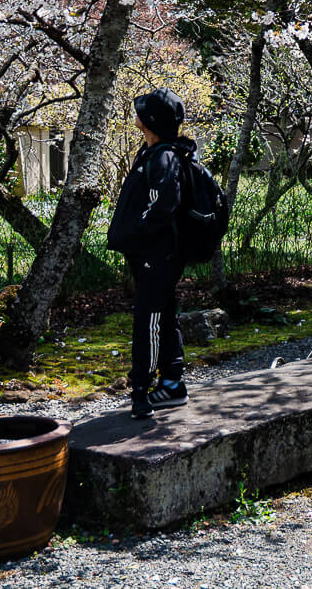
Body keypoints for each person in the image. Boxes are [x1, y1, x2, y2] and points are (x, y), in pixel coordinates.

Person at [107, 87, 194, 420]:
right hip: (150, 254)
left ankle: (142, 387)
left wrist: (138, 231)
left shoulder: (164, 158)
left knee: (150, 320)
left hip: (158, 255)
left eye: (142, 115)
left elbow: (163, 207)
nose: (138, 120)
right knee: (163, 314)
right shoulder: (152, 153)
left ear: (151, 121)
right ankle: (172, 384)